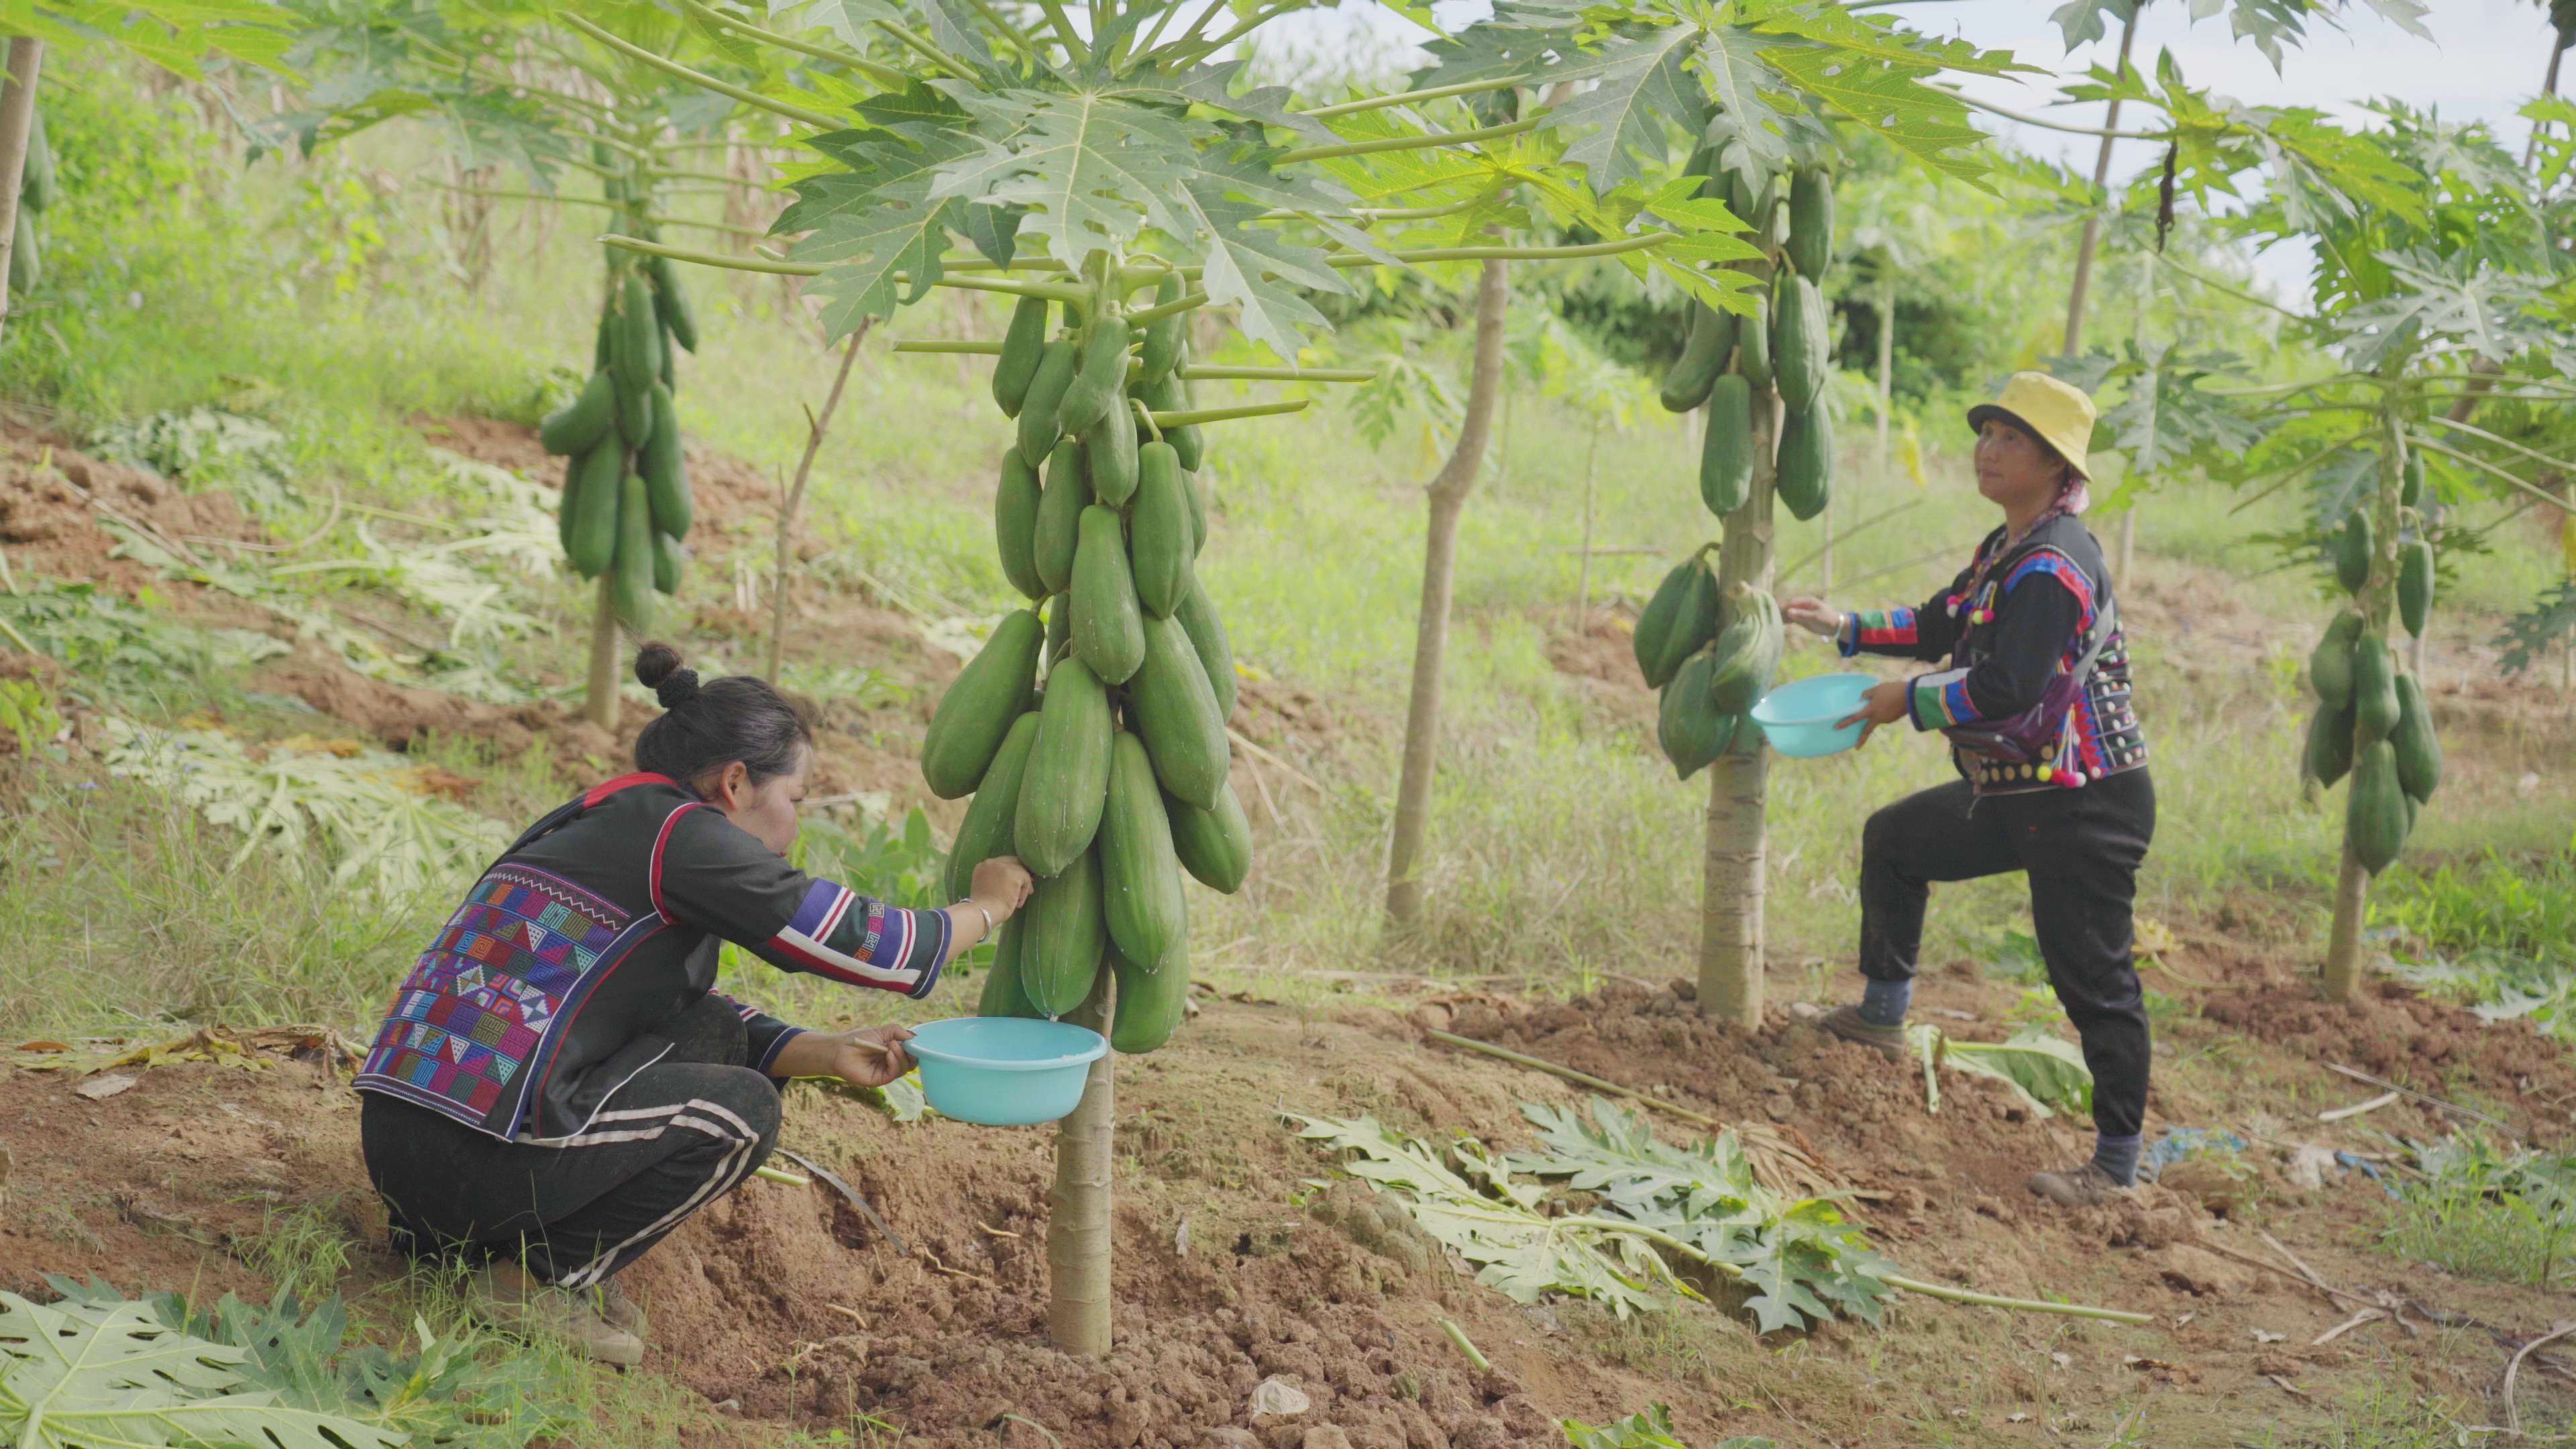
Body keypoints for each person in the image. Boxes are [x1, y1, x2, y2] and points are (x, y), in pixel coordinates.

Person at [354, 643, 1034, 1363]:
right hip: (468, 1160)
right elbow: (879, 946)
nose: (795, 828)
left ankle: (470, 1245)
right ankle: (535, 1277)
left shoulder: (604, 817)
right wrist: (986, 907)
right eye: (795, 801)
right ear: (736, 783)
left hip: (410, 1148)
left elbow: (677, 1011)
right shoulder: (687, 838)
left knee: (709, 1028)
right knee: (742, 1114)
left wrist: (825, 1053)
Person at [1780, 372, 2153, 1210]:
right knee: (1897, 843)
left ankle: (2117, 1170)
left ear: (2058, 465)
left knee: (2092, 979)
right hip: (2019, 793)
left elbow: (2007, 688)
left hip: (2083, 805)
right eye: (1985, 432)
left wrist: (1900, 701)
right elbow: (1943, 620)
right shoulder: (2009, 546)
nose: (1987, 449)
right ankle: (1882, 1016)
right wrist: (1842, 626)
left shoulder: (2055, 565)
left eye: (2010, 438)